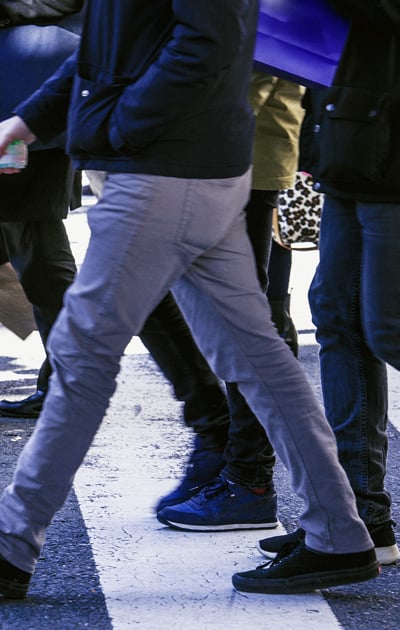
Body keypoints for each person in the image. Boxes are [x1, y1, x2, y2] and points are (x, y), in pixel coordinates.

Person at [0, 0, 379, 596]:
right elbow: (108, 49)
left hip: (163, 171)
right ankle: (338, 532)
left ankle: (10, 543)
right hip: (185, 164)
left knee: (82, 355)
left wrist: (117, 125)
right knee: (255, 357)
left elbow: (205, 44)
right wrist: (28, 122)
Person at [257, 0, 400, 566]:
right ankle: (364, 516)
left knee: (388, 328)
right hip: (352, 142)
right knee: (338, 319)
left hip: (389, 153)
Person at [155, 72, 307, 530]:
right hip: (220, 146)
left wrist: (182, 134)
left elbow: (262, 56)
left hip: (235, 152)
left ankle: (249, 478)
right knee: (237, 314)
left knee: (251, 320)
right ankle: (234, 457)